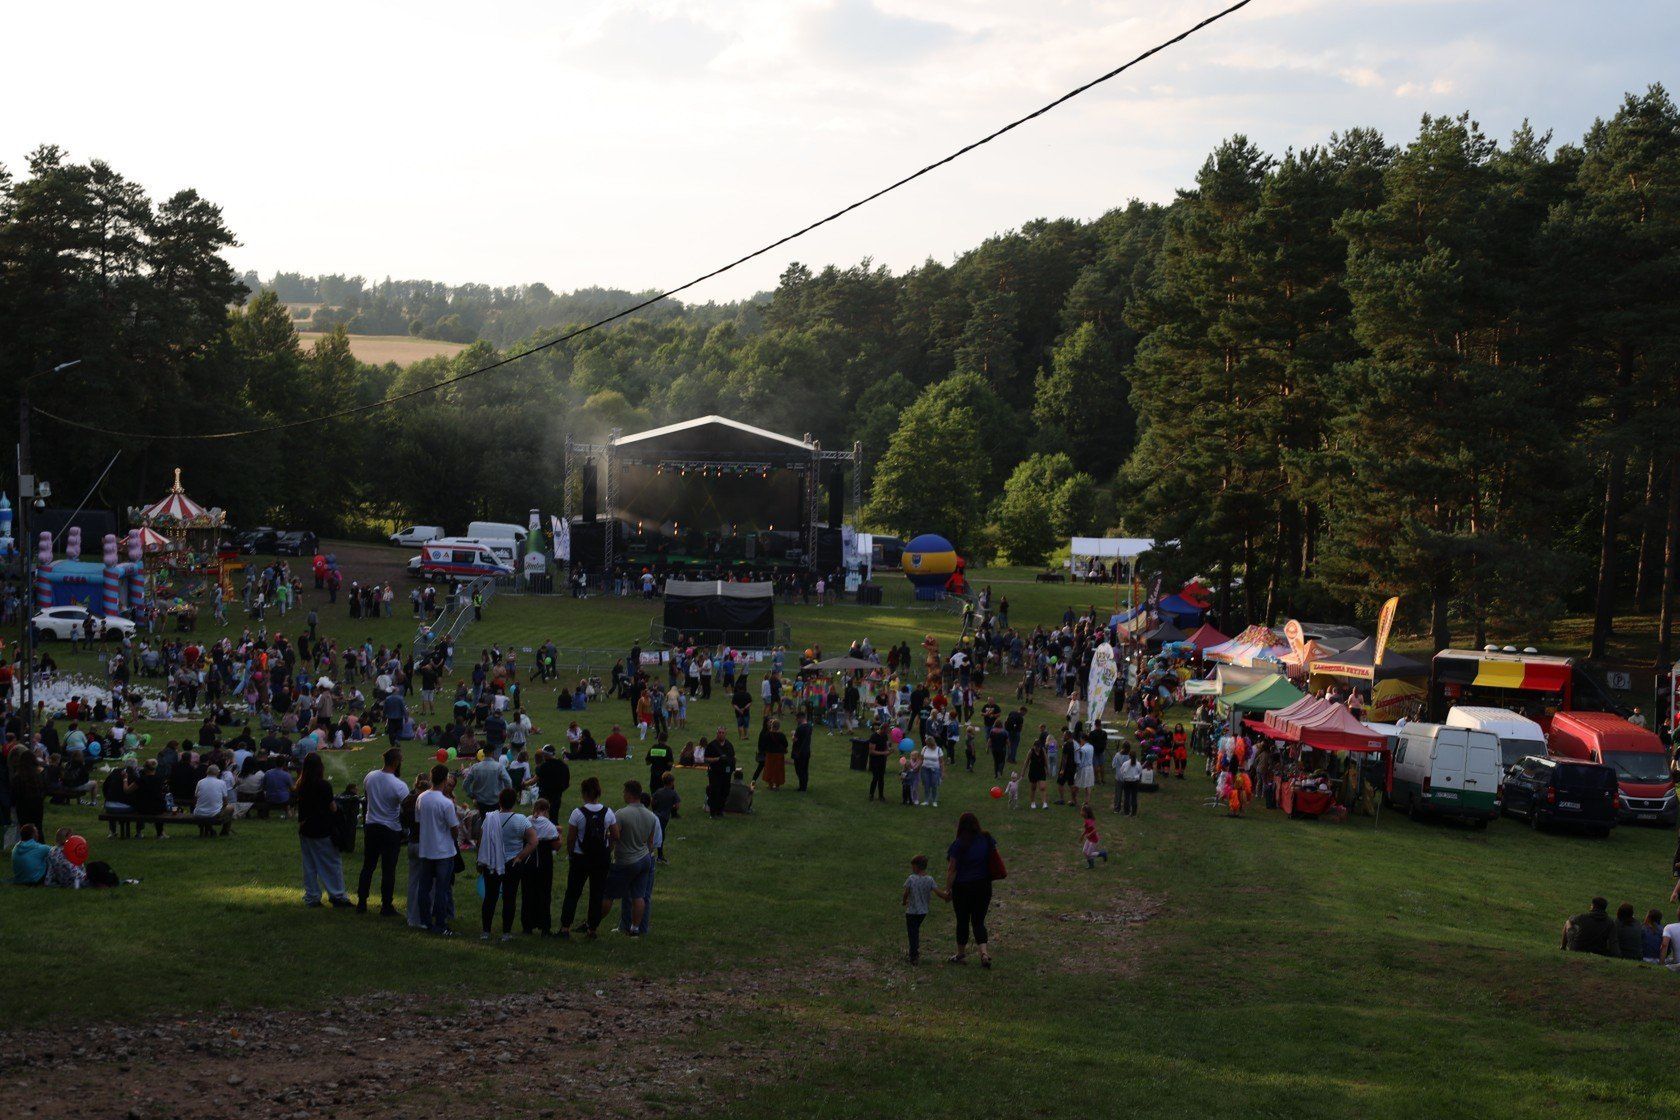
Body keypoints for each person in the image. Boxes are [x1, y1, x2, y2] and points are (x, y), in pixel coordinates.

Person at [560, 776, 618, 940]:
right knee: (596, 893)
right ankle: (592, 929)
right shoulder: (608, 812)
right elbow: (616, 834)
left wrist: (571, 853)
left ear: (584, 793)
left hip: (581, 857)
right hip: (601, 858)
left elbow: (571, 838)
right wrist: (609, 848)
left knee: (572, 892)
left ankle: (565, 928)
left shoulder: (577, 813)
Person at [477, 787, 536, 942]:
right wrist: (520, 857)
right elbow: (533, 841)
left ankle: (486, 931)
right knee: (509, 898)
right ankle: (506, 933)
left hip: (492, 863)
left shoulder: (489, 819)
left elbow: (481, 841)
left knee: (490, 897)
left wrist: (480, 860)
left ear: (499, 801)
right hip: (512, 863)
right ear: (514, 802)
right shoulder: (521, 819)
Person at [295, 753, 351, 908]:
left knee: (309, 864)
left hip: (306, 827)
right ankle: (337, 895)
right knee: (331, 863)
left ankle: (312, 896)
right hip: (322, 828)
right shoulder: (323, 785)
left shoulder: (301, 784)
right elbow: (332, 807)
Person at [604, 780, 658, 936]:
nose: (623, 795)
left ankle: (592, 923)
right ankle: (635, 928)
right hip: (645, 859)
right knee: (639, 896)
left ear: (629, 793)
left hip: (626, 860)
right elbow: (650, 842)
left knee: (608, 893)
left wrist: (608, 852)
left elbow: (614, 837)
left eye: (624, 792)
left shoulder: (621, 814)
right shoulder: (651, 816)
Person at [358, 747, 407, 916]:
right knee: (388, 869)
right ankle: (386, 905)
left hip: (371, 825)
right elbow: (406, 809)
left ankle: (362, 902)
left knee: (368, 866)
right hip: (390, 829)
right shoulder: (399, 785)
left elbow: (367, 797)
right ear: (395, 762)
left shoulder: (370, 777)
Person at [944, 812, 998, 968]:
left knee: (962, 921)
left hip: (963, 888)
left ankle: (960, 954)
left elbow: (951, 869)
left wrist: (948, 889)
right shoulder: (986, 838)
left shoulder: (959, 843)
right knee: (978, 921)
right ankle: (984, 953)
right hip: (983, 886)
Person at [416, 763, 463, 935]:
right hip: (443, 850)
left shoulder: (421, 798)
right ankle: (441, 923)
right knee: (442, 890)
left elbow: (419, 820)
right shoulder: (446, 803)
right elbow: (454, 827)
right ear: (444, 780)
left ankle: (425, 920)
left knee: (425, 887)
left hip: (426, 848)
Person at [522, 798, 561, 935]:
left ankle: (527, 926)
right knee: (544, 893)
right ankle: (545, 926)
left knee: (527, 893)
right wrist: (559, 835)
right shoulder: (548, 824)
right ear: (546, 810)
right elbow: (556, 845)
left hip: (527, 860)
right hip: (544, 861)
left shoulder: (526, 820)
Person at [902, 854, 946, 965]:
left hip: (912, 911)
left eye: (912, 866)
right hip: (923, 912)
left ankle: (914, 955)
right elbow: (938, 892)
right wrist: (946, 896)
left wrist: (904, 901)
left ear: (916, 866)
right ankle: (914, 952)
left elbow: (906, 892)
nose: (912, 869)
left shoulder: (911, 878)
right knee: (915, 930)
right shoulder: (929, 879)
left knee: (912, 933)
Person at [193, 764, 234, 836]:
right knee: (231, 808)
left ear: (207, 772)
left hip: (199, 812)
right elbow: (225, 802)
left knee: (210, 808)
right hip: (214, 813)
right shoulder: (221, 783)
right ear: (217, 773)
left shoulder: (200, 782)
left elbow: (196, 798)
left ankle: (209, 829)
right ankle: (225, 831)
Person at [650, 772, 680, 864]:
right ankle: (659, 856)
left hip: (655, 815)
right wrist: (671, 806)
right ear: (672, 782)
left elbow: (652, 802)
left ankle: (652, 854)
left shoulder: (658, 791)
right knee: (661, 836)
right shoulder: (673, 793)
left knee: (651, 834)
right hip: (664, 817)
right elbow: (677, 806)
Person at [1115, 747, 1143, 817]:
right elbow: (1140, 772)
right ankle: (1133, 813)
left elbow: (1121, 771)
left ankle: (1126, 812)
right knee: (1134, 797)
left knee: (1126, 797)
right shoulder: (1138, 764)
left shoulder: (1125, 763)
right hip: (1135, 782)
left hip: (1127, 781)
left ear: (1129, 756)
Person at [1081, 805, 1109, 869]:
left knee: (1089, 853)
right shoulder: (1086, 820)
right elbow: (1087, 830)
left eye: (1082, 811)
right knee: (1084, 851)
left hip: (1094, 840)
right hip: (1089, 839)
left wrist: (1089, 834)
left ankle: (1102, 853)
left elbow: (1095, 829)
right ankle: (1091, 865)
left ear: (1086, 813)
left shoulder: (1089, 821)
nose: (1081, 812)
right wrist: (1082, 835)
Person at [790, 712, 813, 792]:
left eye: (797, 719)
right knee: (805, 769)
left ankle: (802, 787)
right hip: (807, 751)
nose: (796, 720)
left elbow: (795, 739)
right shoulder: (810, 726)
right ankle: (804, 786)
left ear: (800, 718)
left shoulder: (800, 728)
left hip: (799, 751)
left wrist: (793, 734)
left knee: (799, 770)